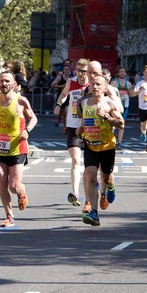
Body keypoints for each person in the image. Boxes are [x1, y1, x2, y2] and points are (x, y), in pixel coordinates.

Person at [0, 71, 37, 227]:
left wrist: (27, 130)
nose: (3, 84)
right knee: (2, 185)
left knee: (14, 186)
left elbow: (33, 118)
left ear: (13, 84)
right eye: (1, 81)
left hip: (17, 148)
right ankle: (9, 216)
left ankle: (20, 191)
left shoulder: (21, 101)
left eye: (7, 81)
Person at [76, 75, 124, 226]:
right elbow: (84, 121)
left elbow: (121, 123)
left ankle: (110, 186)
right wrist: (81, 131)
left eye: (98, 85)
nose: (95, 87)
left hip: (107, 147)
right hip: (90, 146)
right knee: (90, 177)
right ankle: (94, 213)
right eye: (93, 84)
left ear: (105, 88)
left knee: (106, 177)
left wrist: (107, 117)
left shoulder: (109, 103)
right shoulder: (84, 104)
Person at [53, 58, 89, 207]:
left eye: (84, 71)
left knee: (90, 165)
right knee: (76, 160)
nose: (81, 74)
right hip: (73, 126)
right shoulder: (70, 82)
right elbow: (63, 95)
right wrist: (58, 104)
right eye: (79, 71)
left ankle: (91, 193)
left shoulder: (92, 84)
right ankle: (75, 192)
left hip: (89, 127)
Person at [111, 66, 132, 149]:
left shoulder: (128, 84)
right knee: (113, 124)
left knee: (121, 124)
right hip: (116, 106)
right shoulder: (114, 83)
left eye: (124, 71)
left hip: (125, 106)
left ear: (126, 73)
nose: (122, 73)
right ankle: (111, 140)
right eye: (121, 71)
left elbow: (131, 94)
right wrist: (119, 95)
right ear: (118, 73)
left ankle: (119, 142)